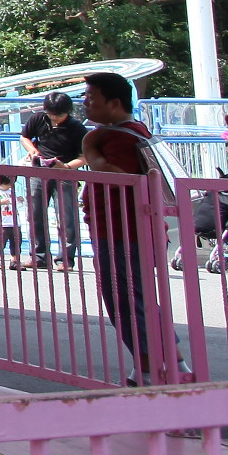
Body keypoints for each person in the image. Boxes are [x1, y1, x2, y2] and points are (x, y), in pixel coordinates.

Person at [78, 72, 179, 384]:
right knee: (141, 298)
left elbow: (118, 176)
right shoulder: (136, 131)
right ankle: (172, 364)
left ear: (114, 103)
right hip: (131, 231)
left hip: (122, 232)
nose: (85, 103)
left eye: (91, 97)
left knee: (125, 302)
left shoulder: (118, 137)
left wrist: (89, 147)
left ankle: (149, 370)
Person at [21, 91, 83, 269]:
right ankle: (38, 257)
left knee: (66, 218)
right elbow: (24, 137)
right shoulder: (38, 118)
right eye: (51, 114)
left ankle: (65, 259)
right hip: (39, 170)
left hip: (65, 174)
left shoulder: (76, 128)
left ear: (68, 112)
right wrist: (33, 150)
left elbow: (84, 157)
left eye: (59, 115)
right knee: (35, 215)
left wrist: (67, 167)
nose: (54, 118)